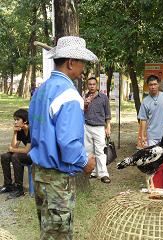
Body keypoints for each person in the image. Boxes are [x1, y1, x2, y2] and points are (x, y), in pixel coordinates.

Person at [28, 36, 96, 239]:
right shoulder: (69, 94)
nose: (83, 68)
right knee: (58, 234)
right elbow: (68, 143)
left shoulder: (40, 91)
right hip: (57, 178)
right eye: (82, 62)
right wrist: (86, 162)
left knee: (47, 229)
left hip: (39, 175)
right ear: (71, 62)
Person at [84, 77, 111, 183]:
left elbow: (108, 114)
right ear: (87, 85)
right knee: (89, 151)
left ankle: (103, 174)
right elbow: (82, 111)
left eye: (93, 84)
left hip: (99, 127)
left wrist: (108, 127)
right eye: (90, 84)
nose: (91, 86)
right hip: (87, 126)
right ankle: (93, 172)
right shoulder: (84, 97)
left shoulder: (103, 97)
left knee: (100, 151)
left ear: (97, 85)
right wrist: (85, 104)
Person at [0, 109, 32, 199]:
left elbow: (27, 150)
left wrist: (14, 149)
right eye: (14, 120)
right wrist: (15, 132)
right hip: (28, 154)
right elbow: (13, 146)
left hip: (36, 155)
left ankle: (19, 188)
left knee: (16, 156)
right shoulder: (21, 130)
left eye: (17, 119)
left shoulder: (32, 130)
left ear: (25, 120)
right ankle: (8, 185)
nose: (15, 122)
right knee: (5, 156)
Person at [138, 75, 163, 147]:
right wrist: (143, 135)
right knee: (154, 157)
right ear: (148, 86)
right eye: (151, 85)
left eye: (155, 84)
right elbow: (143, 119)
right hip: (152, 136)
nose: (153, 87)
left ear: (158, 84)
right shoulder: (145, 101)